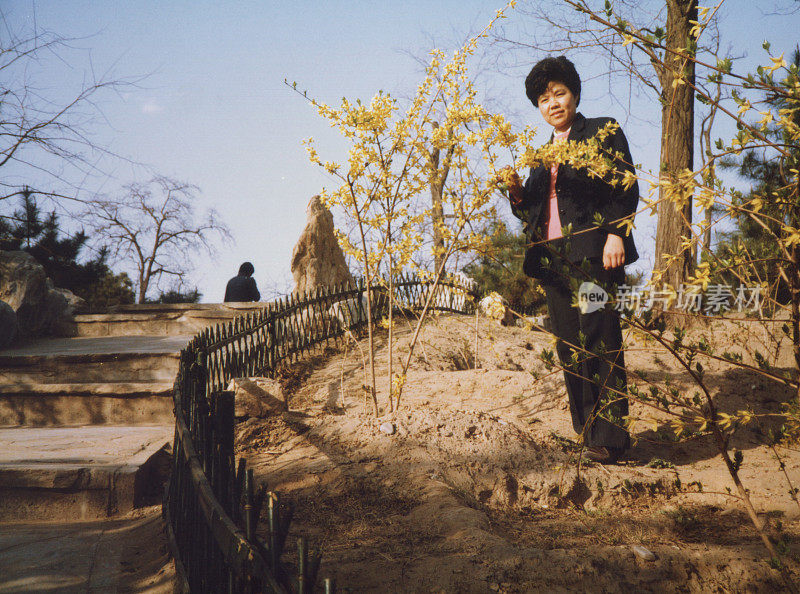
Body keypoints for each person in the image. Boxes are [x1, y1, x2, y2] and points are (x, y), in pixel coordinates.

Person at [505, 56, 640, 464]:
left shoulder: (602, 130)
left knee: (599, 335)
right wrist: (515, 192)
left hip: (594, 255)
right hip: (553, 261)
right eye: (543, 99)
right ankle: (586, 430)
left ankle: (611, 438)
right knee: (568, 343)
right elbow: (530, 210)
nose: (552, 103)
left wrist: (616, 232)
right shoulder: (541, 153)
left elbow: (625, 183)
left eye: (559, 93)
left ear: (575, 94)